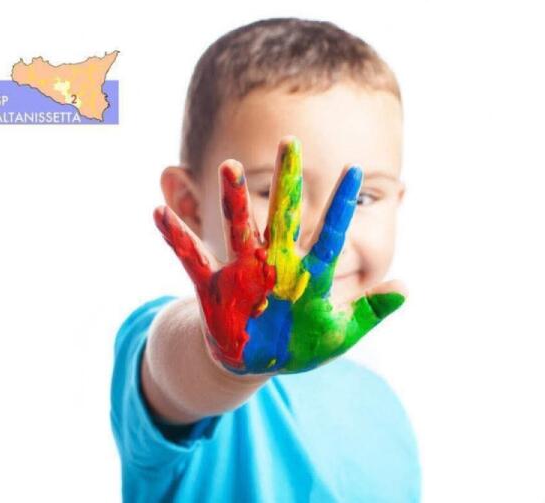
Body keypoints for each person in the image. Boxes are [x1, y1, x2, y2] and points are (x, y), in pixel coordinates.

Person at [111, 17, 420, 502]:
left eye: (360, 199)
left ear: (398, 201)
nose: (319, 233)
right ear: (190, 204)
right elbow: (173, 374)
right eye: (271, 191)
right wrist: (225, 355)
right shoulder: (181, 348)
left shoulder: (385, 409)